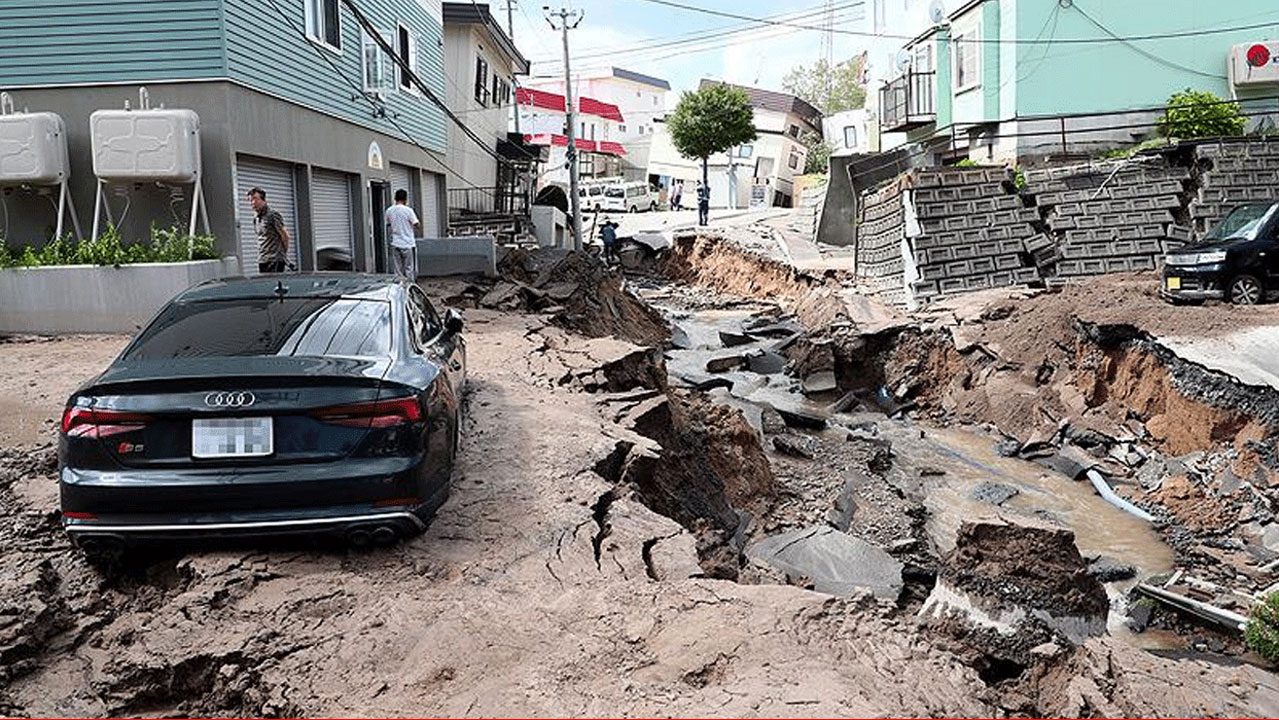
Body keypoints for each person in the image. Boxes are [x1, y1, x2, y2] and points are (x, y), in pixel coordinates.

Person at [248, 187, 289, 274]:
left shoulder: (273, 215)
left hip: (275, 260)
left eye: (255, 199)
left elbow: (284, 235)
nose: (253, 203)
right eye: (250, 200)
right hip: (263, 259)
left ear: (263, 200)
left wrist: (282, 254)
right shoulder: (256, 218)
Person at [385, 189, 421, 281]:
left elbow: (388, 224)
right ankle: (410, 288)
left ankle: (398, 289)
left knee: (397, 270)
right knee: (409, 268)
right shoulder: (408, 211)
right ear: (405, 199)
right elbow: (416, 224)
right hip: (408, 243)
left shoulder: (389, 210)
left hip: (396, 242)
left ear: (395, 198)